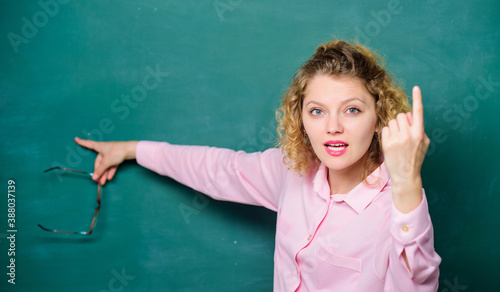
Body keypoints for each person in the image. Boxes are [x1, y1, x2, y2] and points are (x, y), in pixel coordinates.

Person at [75, 40, 441, 291]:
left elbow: (418, 283)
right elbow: (218, 170)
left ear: (379, 118)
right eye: (317, 111)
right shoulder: (293, 172)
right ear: (301, 118)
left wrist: (407, 182)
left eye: (352, 110)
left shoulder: (398, 205)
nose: (333, 126)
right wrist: (132, 149)